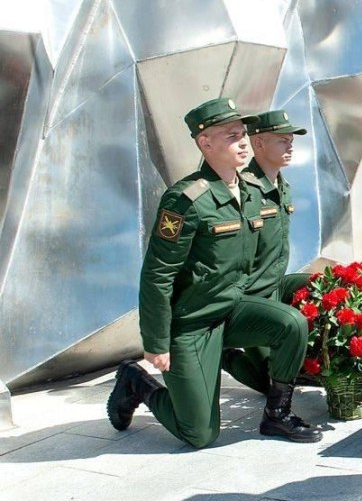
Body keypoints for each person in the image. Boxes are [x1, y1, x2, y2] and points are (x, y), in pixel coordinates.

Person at [107, 98, 321, 447]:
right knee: (198, 434)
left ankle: (277, 415)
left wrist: (269, 303)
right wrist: (156, 342)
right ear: (205, 143)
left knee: (291, 322)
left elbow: (256, 261)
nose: (242, 142)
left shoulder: (252, 192)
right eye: (231, 136)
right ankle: (137, 383)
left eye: (242, 134)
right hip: (194, 323)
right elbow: (157, 275)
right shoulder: (185, 200)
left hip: (233, 310)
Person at [221, 111, 317, 431]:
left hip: (273, 286)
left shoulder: (281, 185)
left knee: (327, 283)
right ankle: (218, 351)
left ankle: (310, 360)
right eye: (282, 140)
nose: (290, 146)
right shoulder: (242, 190)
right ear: (258, 143)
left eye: (291, 140)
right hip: (249, 295)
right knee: (268, 382)